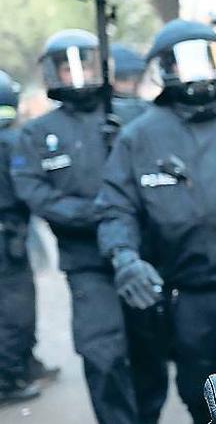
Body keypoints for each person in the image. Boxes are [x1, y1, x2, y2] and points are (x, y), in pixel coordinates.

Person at [95, 19, 216, 424]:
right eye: (183, 62)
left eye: (208, 58)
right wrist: (124, 257)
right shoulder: (139, 137)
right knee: (200, 390)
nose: (197, 72)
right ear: (163, 68)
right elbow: (116, 208)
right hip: (188, 290)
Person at [10, 29, 149, 424]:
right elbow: (34, 192)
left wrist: (126, 138)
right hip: (87, 262)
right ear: (53, 73)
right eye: (66, 67)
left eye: (84, 64)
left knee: (150, 353)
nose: (77, 74)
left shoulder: (133, 114)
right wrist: (98, 213)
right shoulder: (36, 133)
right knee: (102, 353)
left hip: (144, 254)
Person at [0, 70, 60, 406]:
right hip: (7, 237)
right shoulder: (11, 141)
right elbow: (28, 188)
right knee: (15, 310)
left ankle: (24, 363)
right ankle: (9, 378)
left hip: (10, 233)